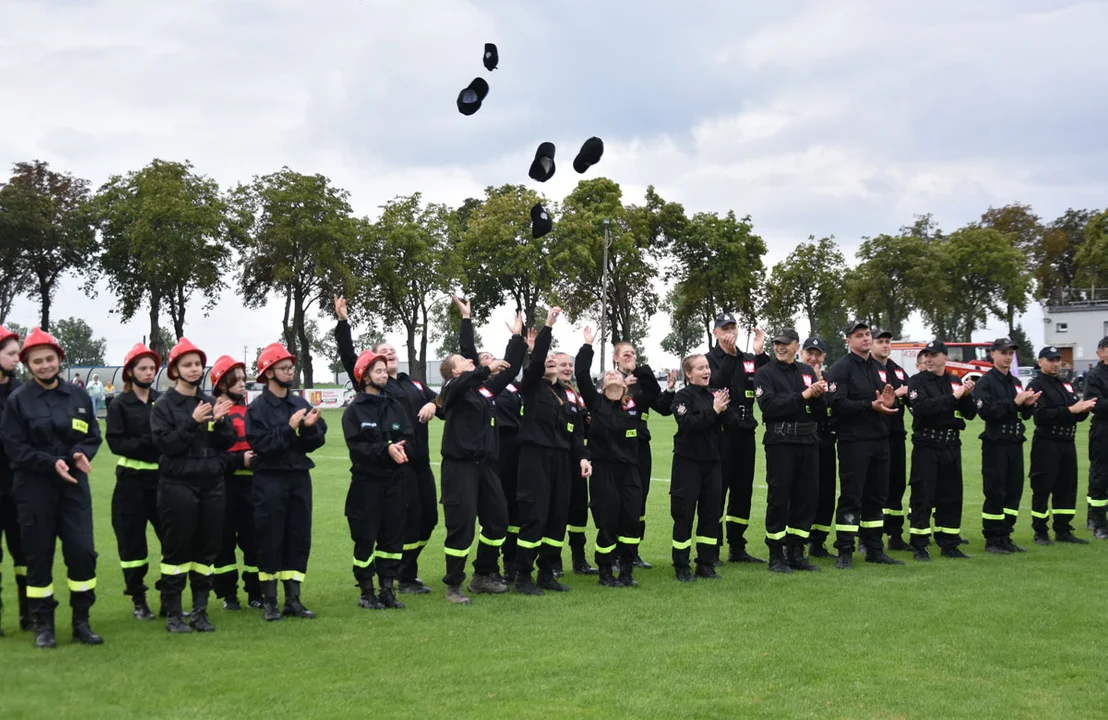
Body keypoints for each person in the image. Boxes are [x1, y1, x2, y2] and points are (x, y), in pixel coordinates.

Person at [1, 328, 103, 648]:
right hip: (34, 488)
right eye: (37, 361)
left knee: (82, 552)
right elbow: (14, 448)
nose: (45, 365)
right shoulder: (19, 400)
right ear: (27, 365)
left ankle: (81, 622)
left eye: (49, 359)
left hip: (73, 487)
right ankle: (43, 623)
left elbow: (92, 435)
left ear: (60, 359)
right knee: (38, 555)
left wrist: (80, 453)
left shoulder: (79, 396)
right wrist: (49, 463)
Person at [334, 297, 440, 595]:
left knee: (428, 519)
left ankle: (405, 571)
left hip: (421, 464)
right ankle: (398, 578)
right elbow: (349, 356)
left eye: (392, 351)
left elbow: (445, 401)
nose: (389, 354)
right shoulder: (377, 388)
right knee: (400, 522)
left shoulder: (414, 383)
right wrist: (344, 323)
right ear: (370, 368)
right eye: (381, 354)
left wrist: (434, 402)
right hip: (393, 467)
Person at [437, 299, 526, 603]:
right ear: (453, 371)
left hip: (486, 467)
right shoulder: (451, 390)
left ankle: (483, 575)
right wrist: (480, 362)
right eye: (464, 360)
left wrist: (516, 338)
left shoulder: (484, 390)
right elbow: (469, 373)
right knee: (461, 528)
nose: (470, 360)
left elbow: (507, 371)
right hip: (459, 467)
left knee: (498, 521)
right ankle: (453, 585)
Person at [151, 338, 235, 633]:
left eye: (197, 364)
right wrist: (192, 421)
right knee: (176, 550)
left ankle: (200, 611)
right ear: (174, 369)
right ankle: (174, 613)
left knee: (208, 549)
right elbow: (165, 445)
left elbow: (226, 443)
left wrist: (222, 423)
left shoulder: (211, 402)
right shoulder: (163, 406)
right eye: (187, 365)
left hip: (211, 484)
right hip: (178, 485)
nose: (193, 369)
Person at [246, 343, 327, 621]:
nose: (289, 371)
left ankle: (293, 600)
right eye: (283, 367)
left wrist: (310, 428)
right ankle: (270, 602)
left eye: (291, 367)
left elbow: (316, 441)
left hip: (298, 478)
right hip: (269, 479)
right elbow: (261, 444)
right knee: (270, 537)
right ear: (268, 373)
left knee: (298, 536)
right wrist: (290, 428)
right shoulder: (256, 409)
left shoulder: (300, 403)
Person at [512, 306, 589, 595]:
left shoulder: (569, 394)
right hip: (536, 458)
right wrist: (548, 327)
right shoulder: (531, 387)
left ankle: (547, 573)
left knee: (558, 516)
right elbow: (535, 364)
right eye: (548, 361)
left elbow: (578, 429)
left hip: (563, 459)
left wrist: (582, 456)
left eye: (556, 362)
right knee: (535, 516)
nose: (552, 365)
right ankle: (522, 576)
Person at [576, 326, 660, 587]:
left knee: (631, 520)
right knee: (608, 520)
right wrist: (588, 345)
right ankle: (605, 571)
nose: (613, 375)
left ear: (625, 383)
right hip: (605, 471)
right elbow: (581, 373)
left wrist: (637, 367)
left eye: (617, 374)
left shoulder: (635, 404)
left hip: (631, 470)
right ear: (602, 385)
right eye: (609, 374)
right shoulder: (597, 404)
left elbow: (655, 394)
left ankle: (626, 571)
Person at [825, 321, 902, 569]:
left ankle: (874, 548)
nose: (866, 339)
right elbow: (837, 404)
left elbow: (884, 399)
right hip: (854, 442)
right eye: (859, 336)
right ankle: (845, 549)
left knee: (876, 497)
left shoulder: (879, 369)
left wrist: (887, 402)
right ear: (848, 341)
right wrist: (870, 405)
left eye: (868, 334)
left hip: (880, 441)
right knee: (852, 496)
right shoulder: (841, 369)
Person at [342, 350, 411, 610]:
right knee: (365, 538)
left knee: (392, 539)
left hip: (395, 483)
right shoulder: (354, 411)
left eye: (385, 370)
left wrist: (402, 448)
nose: (384, 374)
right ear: (365, 376)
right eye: (378, 371)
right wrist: (385, 449)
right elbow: (357, 447)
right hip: (366, 485)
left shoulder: (395, 406)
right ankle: (366, 591)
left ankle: (387, 589)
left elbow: (408, 435)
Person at [753, 329, 826, 572]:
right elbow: (770, 406)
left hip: (808, 441)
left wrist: (817, 395)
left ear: (797, 346)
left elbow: (819, 412)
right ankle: (776, 554)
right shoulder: (765, 373)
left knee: (806, 497)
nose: (780, 348)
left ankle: (796, 551)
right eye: (777, 344)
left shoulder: (806, 372)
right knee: (779, 497)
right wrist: (804, 395)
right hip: (781, 441)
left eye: (785, 344)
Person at [105, 342, 163, 620]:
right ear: (130, 372)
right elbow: (117, 443)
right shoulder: (119, 405)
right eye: (143, 368)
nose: (149, 372)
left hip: (162, 480)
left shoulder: (162, 401)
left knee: (172, 540)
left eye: (152, 368)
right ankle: (138, 599)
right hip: (131, 483)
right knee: (132, 545)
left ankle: (170, 597)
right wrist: (152, 443)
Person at [904, 340, 977, 561]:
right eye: (925, 355)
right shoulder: (916, 381)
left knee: (952, 496)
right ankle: (920, 545)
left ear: (945, 358)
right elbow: (922, 408)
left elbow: (971, 414)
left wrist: (966, 396)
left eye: (933, 355)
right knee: (923, 496)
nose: (928, 359)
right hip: (927, 445)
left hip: (951, 444)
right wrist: (954, 397)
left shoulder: (954, 381)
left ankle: (949, 543)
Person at [707, 313, 768, 564]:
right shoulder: (708, 360)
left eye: (733, 327)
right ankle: (712, 547)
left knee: (743, 492)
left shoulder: (749, 360)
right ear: (716, 333)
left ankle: (738, 546)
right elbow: (717, 384)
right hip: (722, 434)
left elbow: (769, 377)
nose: (730, 332)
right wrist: (730, 357)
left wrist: (761, 352)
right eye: (725, 328)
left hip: (745, 433)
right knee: (717, 491)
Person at [612, 340, 676, 569]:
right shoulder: (609, 380)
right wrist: (619, 385)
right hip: (617, 447)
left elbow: (663, 408)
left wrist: (669, 389)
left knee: (640, 498)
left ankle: (632, 551)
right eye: (625, 353)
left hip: (640, 444)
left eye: (633, 353)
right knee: (619, 500)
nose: (630, 356)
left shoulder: (642, 382)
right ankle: (615, 554)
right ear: (615, 357)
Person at [974, 337, 1039, 553]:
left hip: (1014, 443)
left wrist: (1029, 405)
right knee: (996, 491)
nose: (1008, 357)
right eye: (1003, 353)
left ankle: (1005, 535)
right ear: (992, 354)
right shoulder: (986, 382)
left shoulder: (1015, 382)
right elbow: (986, 411)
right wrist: (1014, 403)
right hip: (996, 444)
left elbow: (1023, 414)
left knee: (1014, 491)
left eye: (1011, 353)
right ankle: (992, 539)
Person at [1027, 346, 1097, 545]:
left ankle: (1063, 529)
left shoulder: (1064, 384)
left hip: (1067, 442)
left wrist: (1084, 409)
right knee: (1042, 487)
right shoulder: (1036, 385)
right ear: (1040, 362)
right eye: (1051, 360)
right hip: (1047, 443)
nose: (1055, 363)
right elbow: (1040, 416)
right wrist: (1071, 410)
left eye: (1058, 359)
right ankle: (1040, 531)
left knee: (1067, 487)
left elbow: (1075, 409)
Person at [670, 353, 730, 581]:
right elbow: (689, 424)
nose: (706, 372)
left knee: (710, 514)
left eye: (707, 367)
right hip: (688, 464)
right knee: (684, 515)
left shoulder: (713, 395)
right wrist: (714, 411)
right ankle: (681, 566)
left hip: (713, 463)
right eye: (700, 368)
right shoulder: (682, 398)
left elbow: (730, 422)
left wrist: (725, 411)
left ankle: (705, 564)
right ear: (688, 373)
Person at [209, 355, 261, 610]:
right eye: (236, 380)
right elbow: (212, 454)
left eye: (243, 379)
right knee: (224, 543)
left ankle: (256, 593)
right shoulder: (214, 414)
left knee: (254, 542)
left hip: (253, 487)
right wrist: (239, 460)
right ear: (221, 385)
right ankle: (228, 595)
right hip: (224, 485)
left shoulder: (251, 411)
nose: (243, 384)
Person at [551, 349, 594, 576]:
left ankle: (579, 560)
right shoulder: (547, 391)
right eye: (562, 364)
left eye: (570, 364)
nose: (567, 368)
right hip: (556, 459)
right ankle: (553, 562)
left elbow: (579, 429)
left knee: (579, 511)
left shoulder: (574, 394)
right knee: (558, 511)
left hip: (576, 457)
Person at [0, 325, 29, 635]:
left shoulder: (21, 394)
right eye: (9, 354)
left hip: (19, 486)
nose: (16, 359)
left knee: (24, 553)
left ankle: (28, 611)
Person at [872, 328, 910, 551]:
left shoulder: (898, 371)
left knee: (896, 486)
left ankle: (895, 534)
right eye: (880, 341)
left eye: (888, 341)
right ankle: (870, 537)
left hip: (897, 435)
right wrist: (897, 393)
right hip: (876, 435)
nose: (885, 345)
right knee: (875, 488)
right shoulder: (869, 369)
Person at [801, 336, 836, 559]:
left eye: (818, 354)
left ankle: (818, 542)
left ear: (824, 356)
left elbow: (833, 408)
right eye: (809, 353)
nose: (813, 358)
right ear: (801, 353)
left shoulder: (830, 379)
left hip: (826, 440)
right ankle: (795, 543)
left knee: (826, 493)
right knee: (802, 493)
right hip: (802, 441)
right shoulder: (794, 376)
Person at [1083, 337, 1108, 539]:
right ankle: (1098, 521)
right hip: (1103, 428)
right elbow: (1095, 404)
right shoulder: (1095, 376)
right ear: (1100, 352)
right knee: (1100, 474)